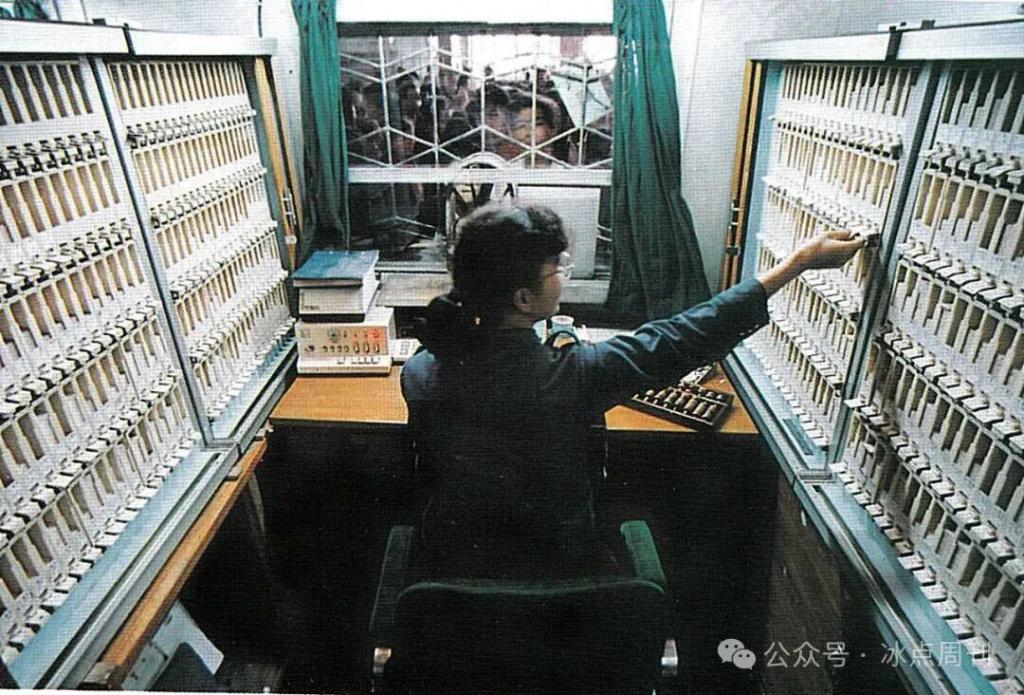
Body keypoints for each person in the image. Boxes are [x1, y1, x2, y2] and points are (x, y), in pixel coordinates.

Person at [402, 203, 866, 580]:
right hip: (559, 566)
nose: (563, 274)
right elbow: (680, 337)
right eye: (556, 268)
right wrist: (797, 264)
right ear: (523, 299)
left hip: (455, 565)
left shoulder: (420, 372)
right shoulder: (576, 374)